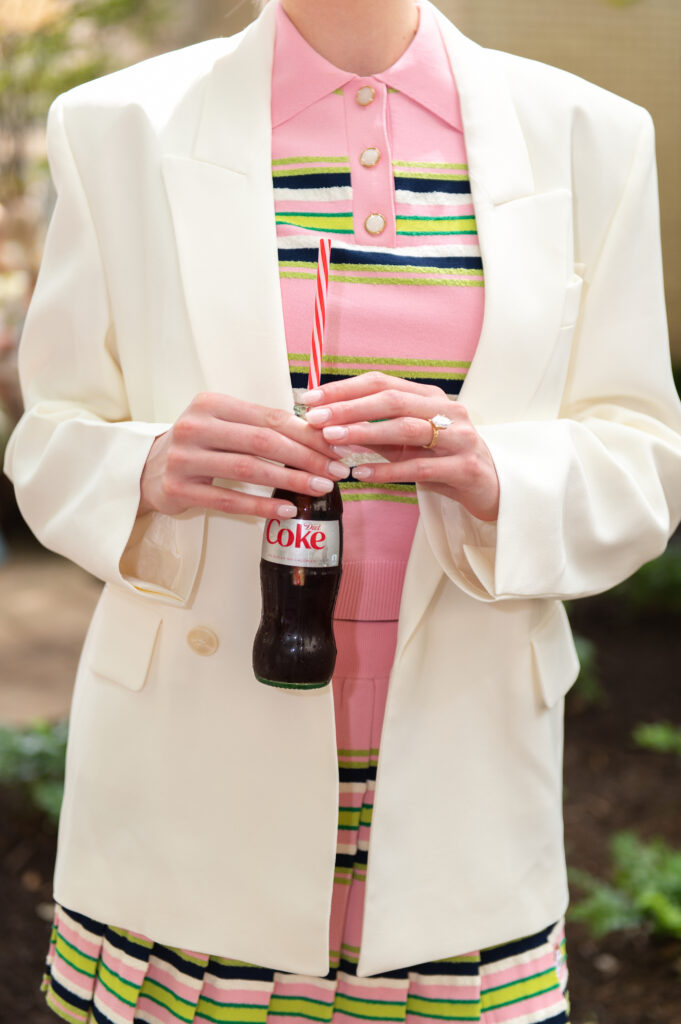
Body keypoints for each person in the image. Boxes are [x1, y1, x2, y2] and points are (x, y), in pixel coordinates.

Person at [4, 0, 681, 1020]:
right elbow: (50, 438)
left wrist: (494, 469)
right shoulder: (118, 123)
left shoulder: (593, 136)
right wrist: (147, 464)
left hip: (463, 799)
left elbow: (645, 459)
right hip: (188, 795)